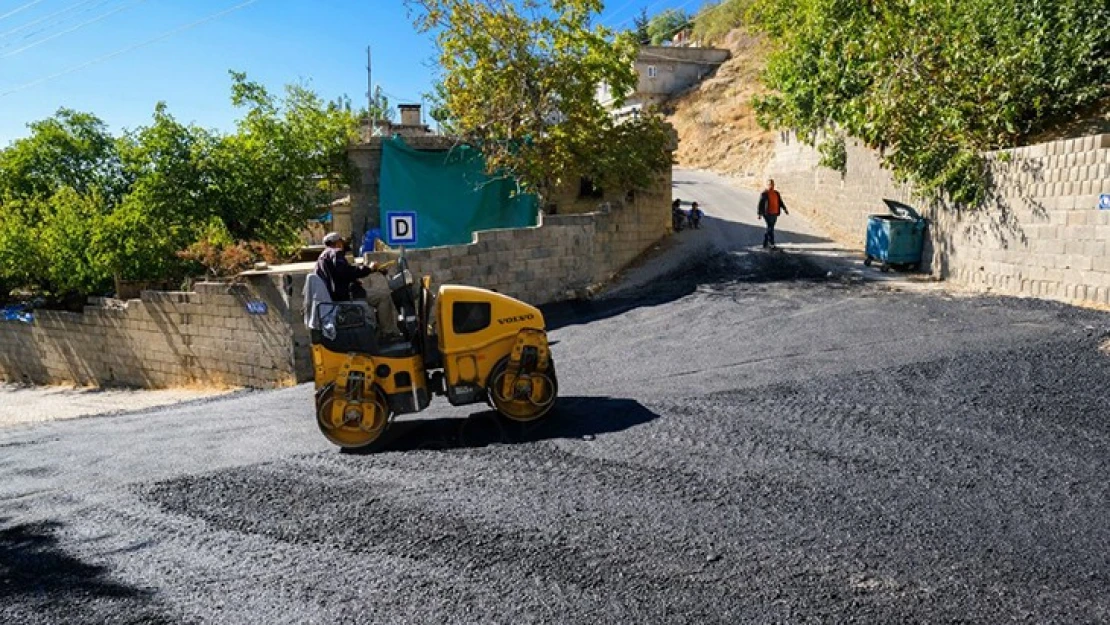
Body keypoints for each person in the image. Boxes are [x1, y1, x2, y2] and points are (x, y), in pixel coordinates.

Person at [757, 179, 788, 249]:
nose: (771, 185)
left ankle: (766, 243)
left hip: (775, 213)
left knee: (770, 228)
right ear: (767, 185)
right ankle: (771, 243)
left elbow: (780, 202)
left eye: (772, 184)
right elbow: (760, 204)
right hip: (767, 213)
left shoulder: (776, 193)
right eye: (769, 184)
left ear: (774, 185)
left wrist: (785, 209)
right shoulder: (764, 193)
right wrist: (759, 214)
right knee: (770, 227)